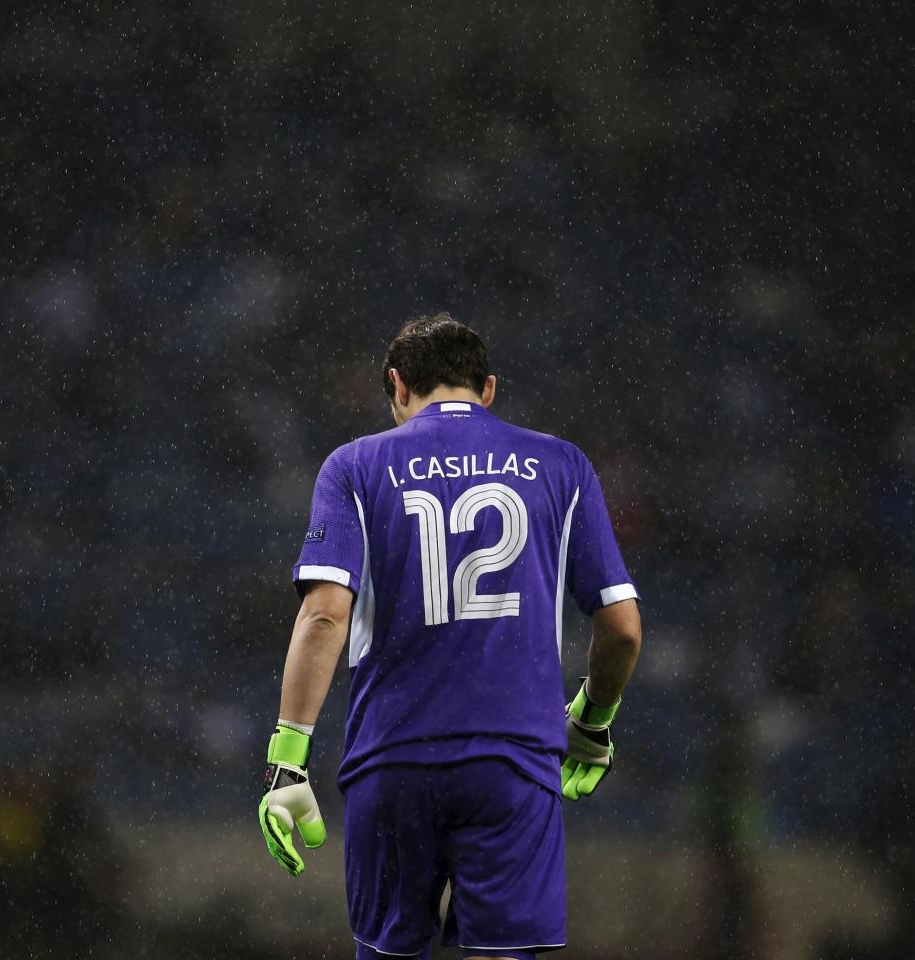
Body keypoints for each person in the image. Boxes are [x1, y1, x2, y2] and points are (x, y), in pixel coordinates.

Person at [257, 314, 643, 960]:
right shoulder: (561, 467)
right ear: (488, 390)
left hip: (392, 761)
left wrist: (286, 758)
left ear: (396, 386)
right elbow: (623, 630)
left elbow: (324, 616)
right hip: (512, 762)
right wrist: (593, 722)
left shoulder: (353, 468)